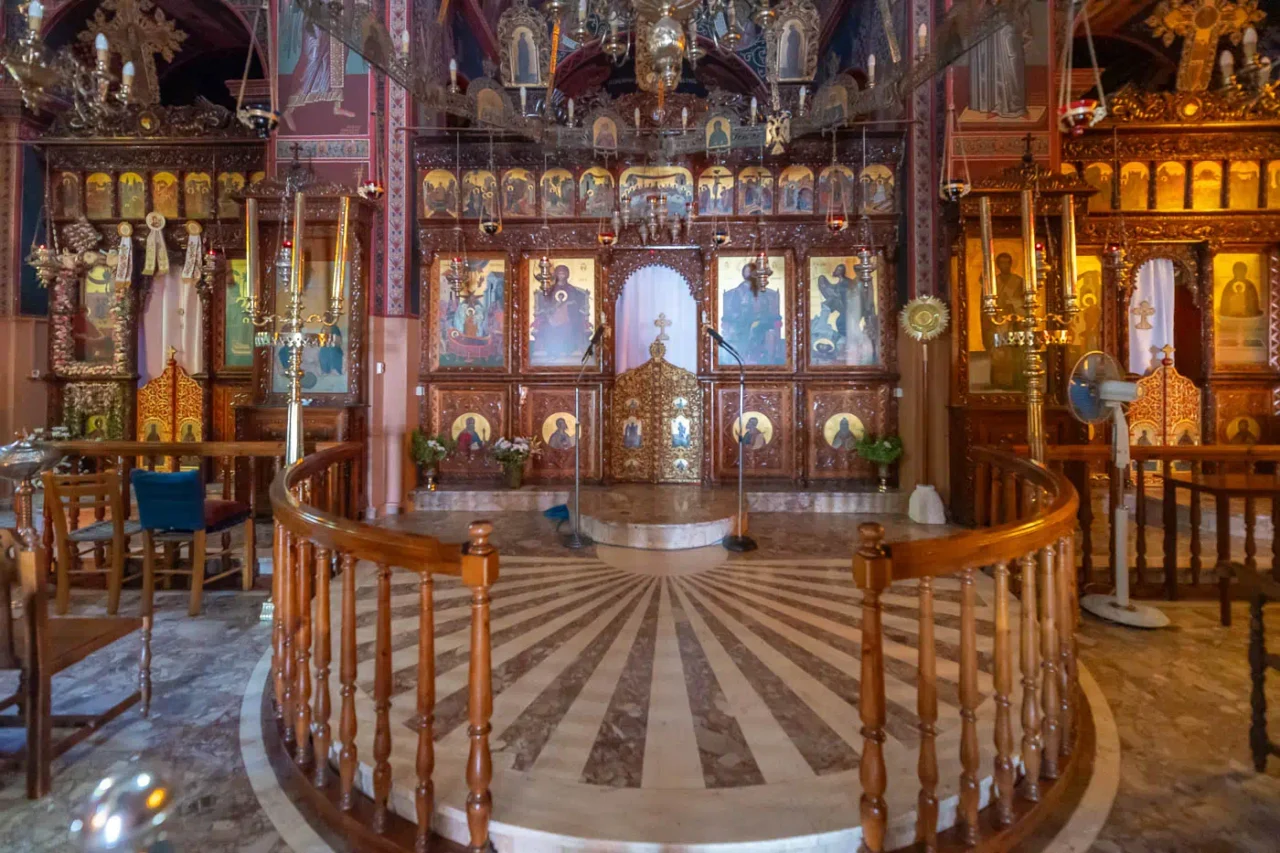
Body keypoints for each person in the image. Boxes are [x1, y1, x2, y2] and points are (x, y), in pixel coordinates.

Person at [720, 263, 784, 365]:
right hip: (742, 321)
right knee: (747, 330)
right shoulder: (738, 291)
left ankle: (767, 359)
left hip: (762, 320)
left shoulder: (764, 290)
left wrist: (762, 316)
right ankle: (745, 357)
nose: (748, 273)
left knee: (761, 329)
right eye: (747, 271)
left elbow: (768, 308)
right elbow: (733, 309)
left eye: (750, 271)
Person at [530, 264, 592, 364]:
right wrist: (552, 311)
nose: (561, 274)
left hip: (569, 318)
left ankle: (567, 351)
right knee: (547, 327)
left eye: (564, 272)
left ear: (568, 274)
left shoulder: (573, 290)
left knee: (569, 327)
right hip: (552, 318)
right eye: (559, 272)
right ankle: (552, 352)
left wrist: (568, 306)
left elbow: (577, 306)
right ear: (555, 274)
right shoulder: (549, 290)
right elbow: (545, 305)